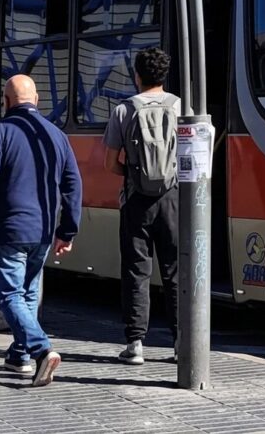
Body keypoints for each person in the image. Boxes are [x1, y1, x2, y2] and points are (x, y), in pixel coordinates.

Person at [0, 75, 82, 387]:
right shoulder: (56, 134)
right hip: (43, 229)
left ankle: (41, 350)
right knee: (27, 292)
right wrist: (66, 231)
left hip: (11, 228)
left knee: (9, 295)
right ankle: (19, 355)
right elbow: (73, 185)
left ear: (6, 101)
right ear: (37, 100)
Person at [102, 47, 180, 365]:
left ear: (137, 76)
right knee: (175, 271)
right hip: (173, 198)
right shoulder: (180, 108)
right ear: (164, 75)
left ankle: (135, 343)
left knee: (136, 270)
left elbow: (110, 163)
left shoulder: (124, 110)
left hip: (136, 200)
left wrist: (135, 174)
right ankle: (181, 343)